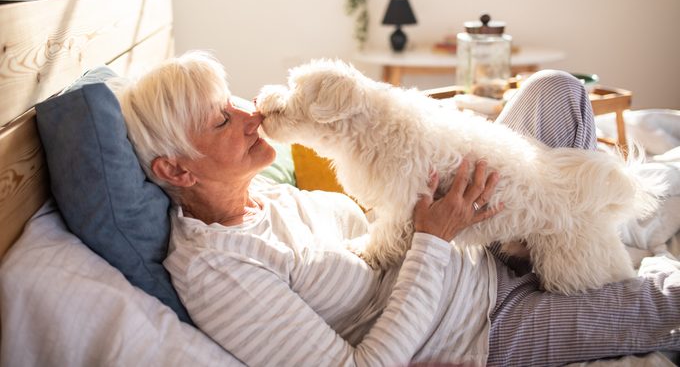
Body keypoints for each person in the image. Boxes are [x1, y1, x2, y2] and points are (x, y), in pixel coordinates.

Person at [117, 51, 680, 366]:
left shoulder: (265, 195)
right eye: (223, 120)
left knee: (555, 91)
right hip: (479, 324)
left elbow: (382, 216)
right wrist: (435, 238)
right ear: (176, 171)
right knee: (665, 307)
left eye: (233, 101)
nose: (249, 115)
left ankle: (567, 224)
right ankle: (584, 234)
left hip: (475, 237)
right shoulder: (219, 270)